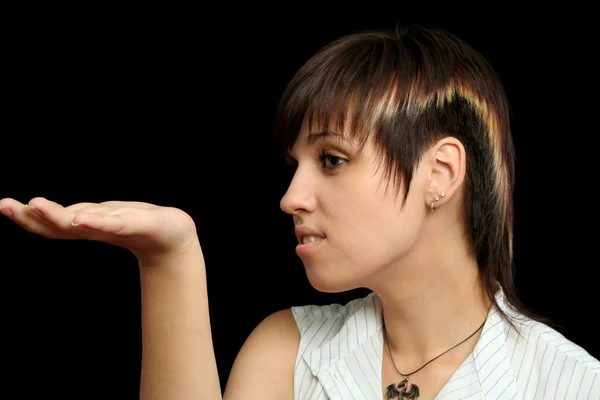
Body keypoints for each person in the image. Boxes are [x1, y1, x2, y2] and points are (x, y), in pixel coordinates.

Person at [0, 23, 598, 399]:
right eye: (295, 165)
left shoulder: (568, 383)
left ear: (439, 174)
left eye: (332, 159)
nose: (291, 198)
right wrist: (170, 258)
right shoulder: (289, 350)